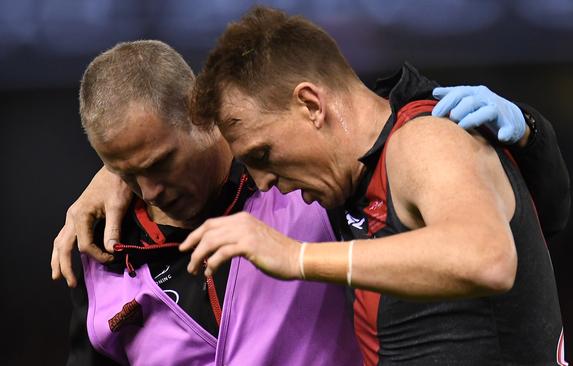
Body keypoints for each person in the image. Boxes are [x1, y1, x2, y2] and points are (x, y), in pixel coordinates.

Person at [181, 6, 570, 365]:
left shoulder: (426, 140)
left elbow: (488, 259)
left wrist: (297, 258)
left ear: (312, 105)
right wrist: (118, 174)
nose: (263, 182)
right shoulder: (350, 180)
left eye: (262, 154)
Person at [65, 40, 361, 366]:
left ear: (198, 113)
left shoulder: (296, 176)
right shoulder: (103, 250)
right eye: (127, 174)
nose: (149, 192)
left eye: (160, 163)